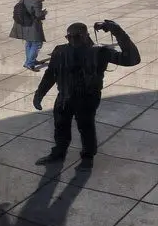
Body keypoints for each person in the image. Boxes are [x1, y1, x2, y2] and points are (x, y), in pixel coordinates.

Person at [33, 19, 141, 165]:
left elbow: (132, 59)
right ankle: (59, 151)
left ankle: (88, 156)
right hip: (64, 97)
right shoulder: (60, 51)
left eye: (76, 37)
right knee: (60, 126)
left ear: (86, 35)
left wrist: (117, 31)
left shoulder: (99, 52)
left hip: (87, 98)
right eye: (68, 37)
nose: (72, 40)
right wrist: (39, 94)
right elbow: (50, 74)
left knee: (86, 127)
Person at [10, 0, 50, 70]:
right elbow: (38, 15)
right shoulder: (37, 2)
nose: (43, 1)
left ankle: (31, 60)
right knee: (37, 43)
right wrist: (44, 13)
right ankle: (29, 63)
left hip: (24, 25)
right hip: (32, 26)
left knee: (29, 43)